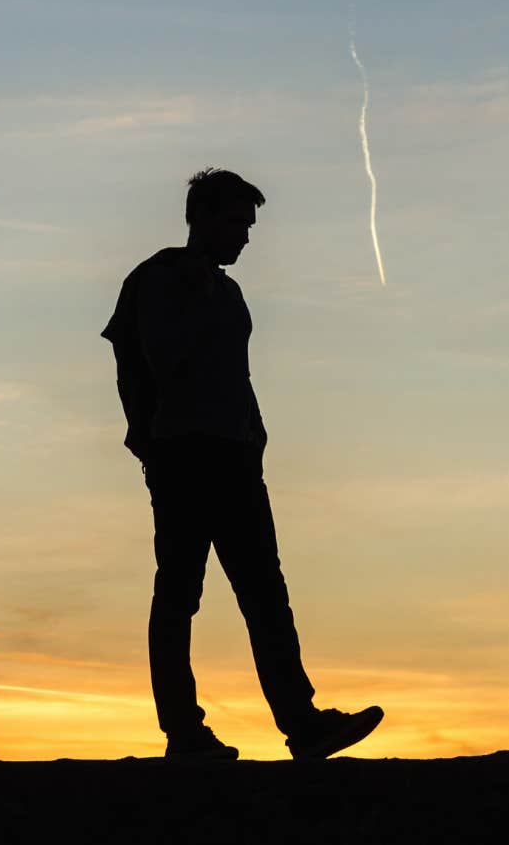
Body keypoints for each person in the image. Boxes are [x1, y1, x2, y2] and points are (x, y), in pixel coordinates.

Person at [101, 167, 384, 761]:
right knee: (180, 594)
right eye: (236, 222)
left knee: (264, 593)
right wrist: (147, 441)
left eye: (249, 225)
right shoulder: (158, 279)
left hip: (235, 457)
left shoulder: (228, 291)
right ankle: (184, 732)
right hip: (183, 456)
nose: (246, 237)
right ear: (201, 217)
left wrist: (253, 436)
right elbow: (145, 360)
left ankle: (302, 724)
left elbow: (232, 374)